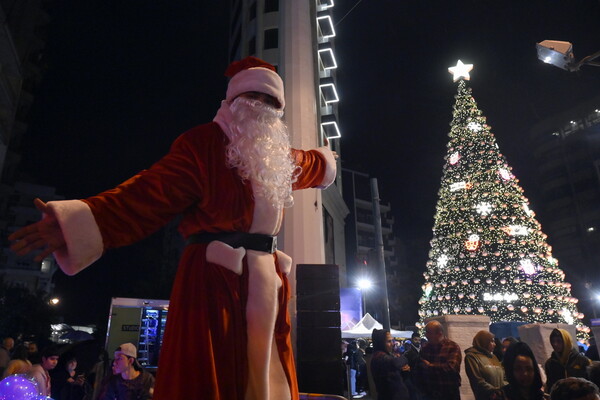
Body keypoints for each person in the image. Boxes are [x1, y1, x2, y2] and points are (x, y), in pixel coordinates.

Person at [9, 56, 336, 400]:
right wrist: (74, 224)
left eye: (271, 102)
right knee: (212, 380)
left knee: (267, 380)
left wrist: (328, 162)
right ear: (232, 102)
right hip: (216, 281)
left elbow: (315, 164)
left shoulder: (279, 159)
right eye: (253, 98)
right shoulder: (203, 144)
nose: (262, 108)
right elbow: (146, 194)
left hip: (266, 284)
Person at [413, 321, 462, 400]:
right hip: (429, 394)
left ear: (439, 334)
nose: (426, 335)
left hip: (449, 394)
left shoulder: (452, 347)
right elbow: (419, 370)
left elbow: (452, 368)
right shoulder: (425, 348)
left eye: (428, 332)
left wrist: (430, 366)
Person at [544, 328, 591, 393]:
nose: (555, 344)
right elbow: (550, 385)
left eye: (559, 341)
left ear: (566, 341)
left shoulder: (582, 360)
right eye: (552, 341)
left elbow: (591, 383)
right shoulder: (550, 363)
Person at [464, 330, 506, 400]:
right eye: (492, 341)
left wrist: (504, 390)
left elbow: (504, 376)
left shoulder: (493, 357)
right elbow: (477, 380)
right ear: (484, 342)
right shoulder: (472, 357)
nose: (495, 344)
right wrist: (494, 391)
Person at [370, 329, 410, 400]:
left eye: (392, 340)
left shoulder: (387, 356)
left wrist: (404, 370)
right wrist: (404, 358)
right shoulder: (379, 357)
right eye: (389, 341)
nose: (392, 343)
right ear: (380, 343)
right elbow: (395, 363)